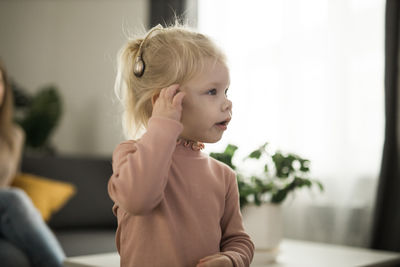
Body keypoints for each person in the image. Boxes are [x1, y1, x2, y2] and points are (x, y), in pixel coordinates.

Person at [108, 23, 255, 267]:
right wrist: (163, 125)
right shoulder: (131, 155)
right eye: (212, 92)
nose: (227, 103)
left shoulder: (224, 176)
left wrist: (230, 260)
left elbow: (238, 241)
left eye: (226, 91)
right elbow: (139, 200)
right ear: (164, 101)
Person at [0, 61, 65, 267]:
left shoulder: (15, 136)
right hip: (8, 202)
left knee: (13, 257)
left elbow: (9, 183)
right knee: (15, 198)